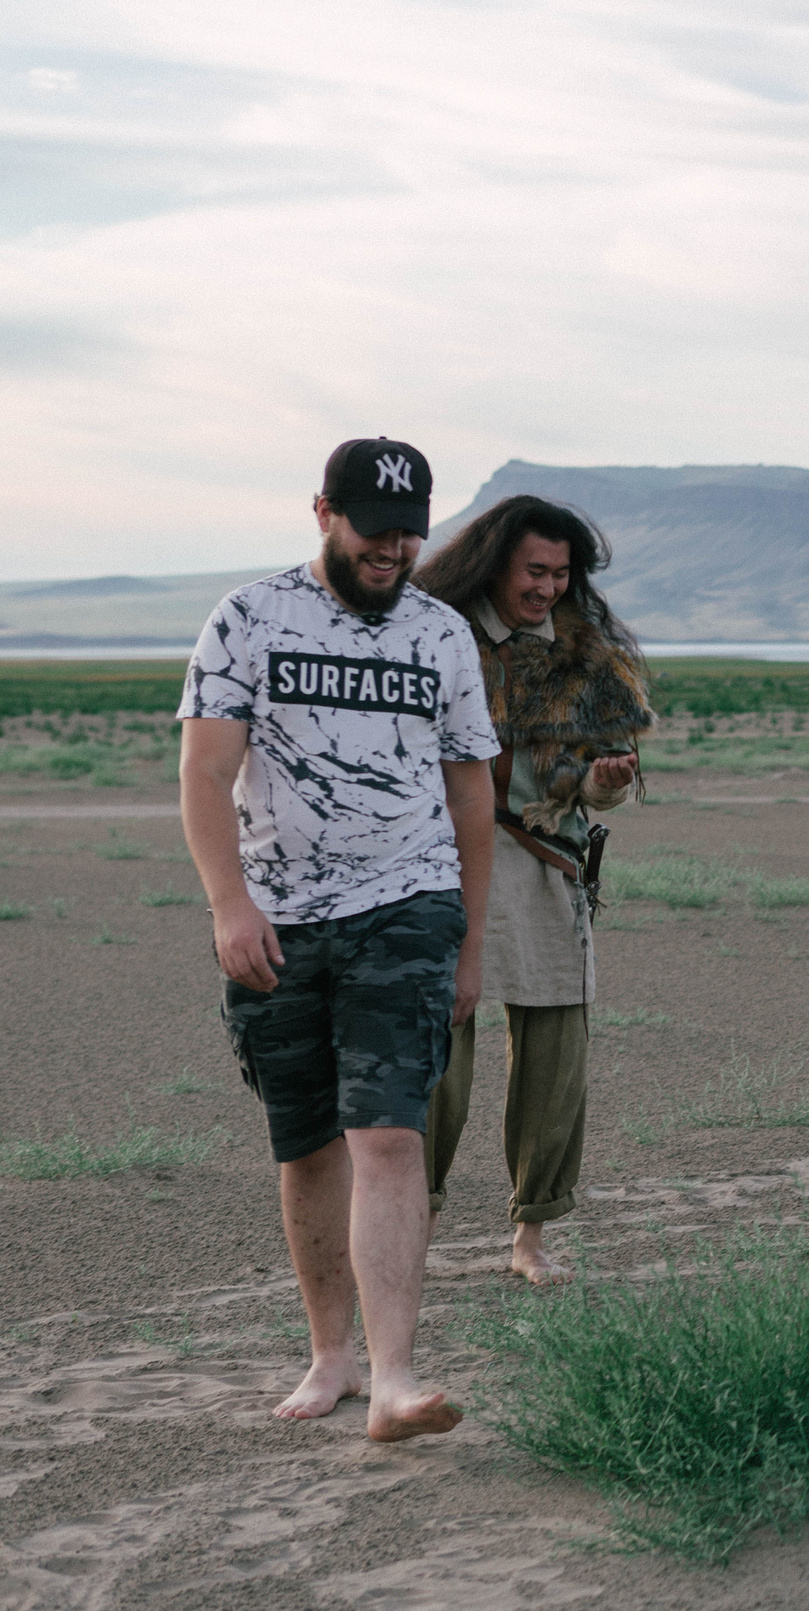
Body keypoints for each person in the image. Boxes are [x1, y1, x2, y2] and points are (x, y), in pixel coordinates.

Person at [178, 437, 498, 1440]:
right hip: (279, 918)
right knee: (308, 1143)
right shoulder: (248, 619)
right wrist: (231, 906)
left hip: (408, 906)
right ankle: (335, 1359)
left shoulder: (442, 637)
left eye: (410, 534)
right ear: (323, 511)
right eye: (375, 530)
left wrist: (471, 944)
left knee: (390, 1133)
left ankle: (399, 1378)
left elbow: (471, 793)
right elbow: (203, 772)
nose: (393, 551)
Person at [414, 497, 652, 1284]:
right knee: (435, 1054)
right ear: (495, 566)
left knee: (555, 1056)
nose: (550, 587)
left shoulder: (589, 656)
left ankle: (530, 1239)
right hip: (439, 865)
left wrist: (603, 782)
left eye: (562, 573)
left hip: (546, 863)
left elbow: (605, 783)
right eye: (534, 571)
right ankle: (415, 1220)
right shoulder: (431, 633)